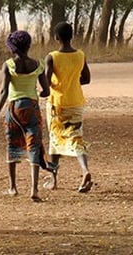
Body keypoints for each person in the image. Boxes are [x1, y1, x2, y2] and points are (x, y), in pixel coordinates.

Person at [0, 30, 53, 202]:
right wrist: (41, 91)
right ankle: (34, 189)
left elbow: (3, 91)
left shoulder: (8, 65)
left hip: (14, 109)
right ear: (28, 45)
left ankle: (13, 187)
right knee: (34, 145)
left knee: (13, 145)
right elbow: (46, 90)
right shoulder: (38, 65)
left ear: (12, 48)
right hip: (32, 108)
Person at [44, 21, 93, 193]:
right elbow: (86, 79)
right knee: (76, 137)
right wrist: (72, 82)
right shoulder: (80, 55)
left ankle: (53, 179)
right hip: (76, 102)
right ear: (72, 36)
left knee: (55, 139)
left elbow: (46, 82)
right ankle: (85, 170)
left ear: (56, 37)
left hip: (57, 104)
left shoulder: (52, 57)